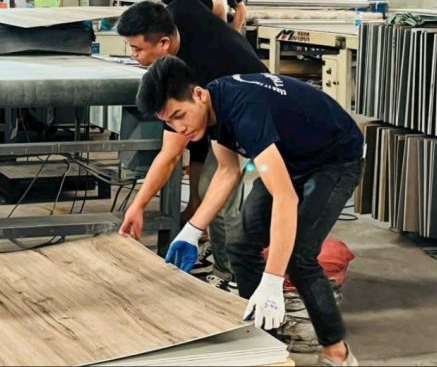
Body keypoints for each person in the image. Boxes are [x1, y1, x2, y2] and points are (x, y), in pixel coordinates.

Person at [135, 56, 363, 367]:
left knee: (298, 256)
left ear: (198, 94)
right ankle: (267, 340)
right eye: (169, 122)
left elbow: (284, 197)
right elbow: (228, 172)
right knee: (240, 244)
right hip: (292, 158)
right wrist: (192, 232)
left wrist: (271, 280)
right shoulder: (212, 111)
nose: (179, 128)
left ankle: (337, 352)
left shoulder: (244, 111)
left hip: (334, 158)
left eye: (179, 115)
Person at [116, 0, 266, 284]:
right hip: (226, 102)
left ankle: (235, 276)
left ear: (163, 44)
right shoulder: (179, 11)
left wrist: (140, 204)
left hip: (253, 109)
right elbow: (213, 2)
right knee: (210, 185)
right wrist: (138, 205)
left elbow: (172, 155)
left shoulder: (194, 73)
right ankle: (226, 262)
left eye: (136, 49)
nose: (132, 54)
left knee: (223, 194)